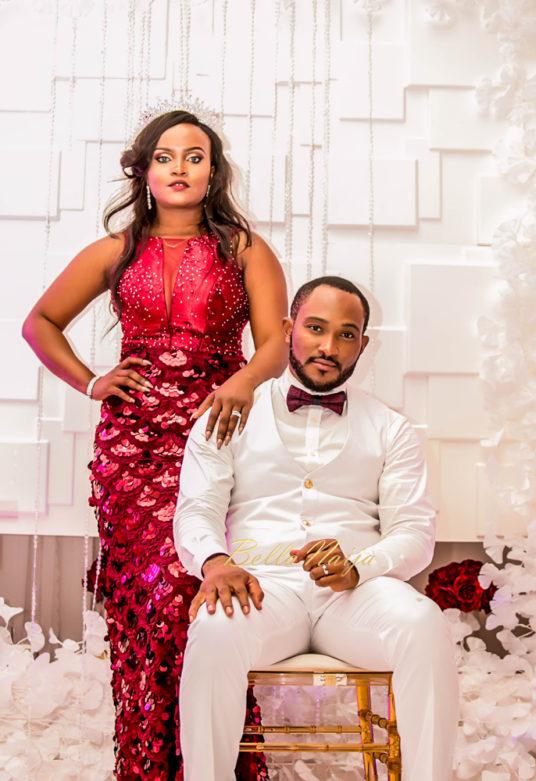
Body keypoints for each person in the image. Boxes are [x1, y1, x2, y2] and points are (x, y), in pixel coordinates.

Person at [22, 105, 287, 780]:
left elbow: (276, 345)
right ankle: (147, 764)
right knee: (147, 604)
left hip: (213, 437)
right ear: (143, 171)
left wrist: (240, 382)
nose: (179, 169)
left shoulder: (244, 249)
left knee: (200, 597)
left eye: (195, 158)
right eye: (165, 157)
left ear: (213, 173)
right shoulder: (115, 251)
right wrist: (92, 381)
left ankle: (215, 763)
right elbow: (40, 322)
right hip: (131, 452)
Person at [173, 276, 460, 781]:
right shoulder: (231, 413)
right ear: (289, 329)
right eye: (316, 328)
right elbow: (196, 508)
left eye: (346, 335)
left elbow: (414, 532)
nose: (329, 347)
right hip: (263, 588)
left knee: (424, 624)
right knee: (214, 629)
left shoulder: (391, 427)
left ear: (363, 345)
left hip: (355, 596)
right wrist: (215, 562)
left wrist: (358, 567)